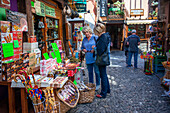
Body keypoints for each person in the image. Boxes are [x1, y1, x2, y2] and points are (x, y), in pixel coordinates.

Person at [93, 23, 110, 98]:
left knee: (102, 75)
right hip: (104, 58)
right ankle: (107, 89)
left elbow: (100, 50)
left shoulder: (103, 37)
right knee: (104, 75)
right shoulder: (105, 36)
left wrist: (95, 48)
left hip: (102, 59)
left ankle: (103, 93)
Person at [81, 26, 100, 90]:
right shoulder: (84, 39)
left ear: (89, 31)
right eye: (84, 33)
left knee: (97, 71)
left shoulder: (95, 37)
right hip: (88, 57)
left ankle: (98, 84)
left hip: (95, 57)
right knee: (90, 72)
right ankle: (91, 84)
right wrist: (84, 50)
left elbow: (100, 47)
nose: (86, 34)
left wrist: (95, 49)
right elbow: (82, 48)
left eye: (87, 32)